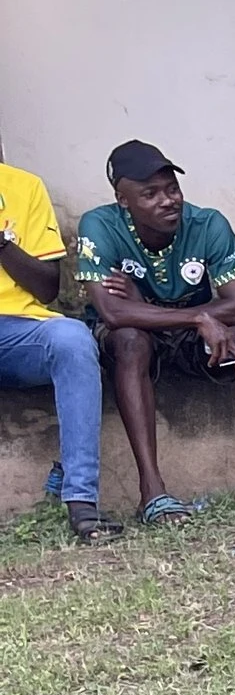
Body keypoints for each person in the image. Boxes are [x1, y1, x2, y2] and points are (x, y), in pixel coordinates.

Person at [76, 144, 235, 519]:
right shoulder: (99, 226)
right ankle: (152, 492)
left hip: (187, 336)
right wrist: (198, 318)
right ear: (123, 200)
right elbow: (113, 311)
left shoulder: (208, 224)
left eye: (172, 189)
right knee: (131, 340)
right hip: (131, 340)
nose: (168, 201)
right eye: (149, 194)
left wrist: (165, 312)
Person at [0, 147, 113, 542]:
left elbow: (47, 287)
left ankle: (81, 500)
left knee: (72, 338)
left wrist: (1, 243)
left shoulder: (23, 187)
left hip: (18, 332)